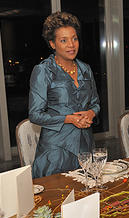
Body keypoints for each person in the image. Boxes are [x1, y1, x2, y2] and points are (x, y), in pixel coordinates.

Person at [29, 11, 100, 178]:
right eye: (64, 40)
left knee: (87, 198)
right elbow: (35, 115)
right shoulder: (43, 71)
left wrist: (91, 112)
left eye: (74, 38)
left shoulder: (85, 69)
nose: (71, 45)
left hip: (85, 147)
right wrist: (68, 119)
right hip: (55, 151)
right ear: (52, 44)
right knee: (57, 200)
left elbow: (95, 103)